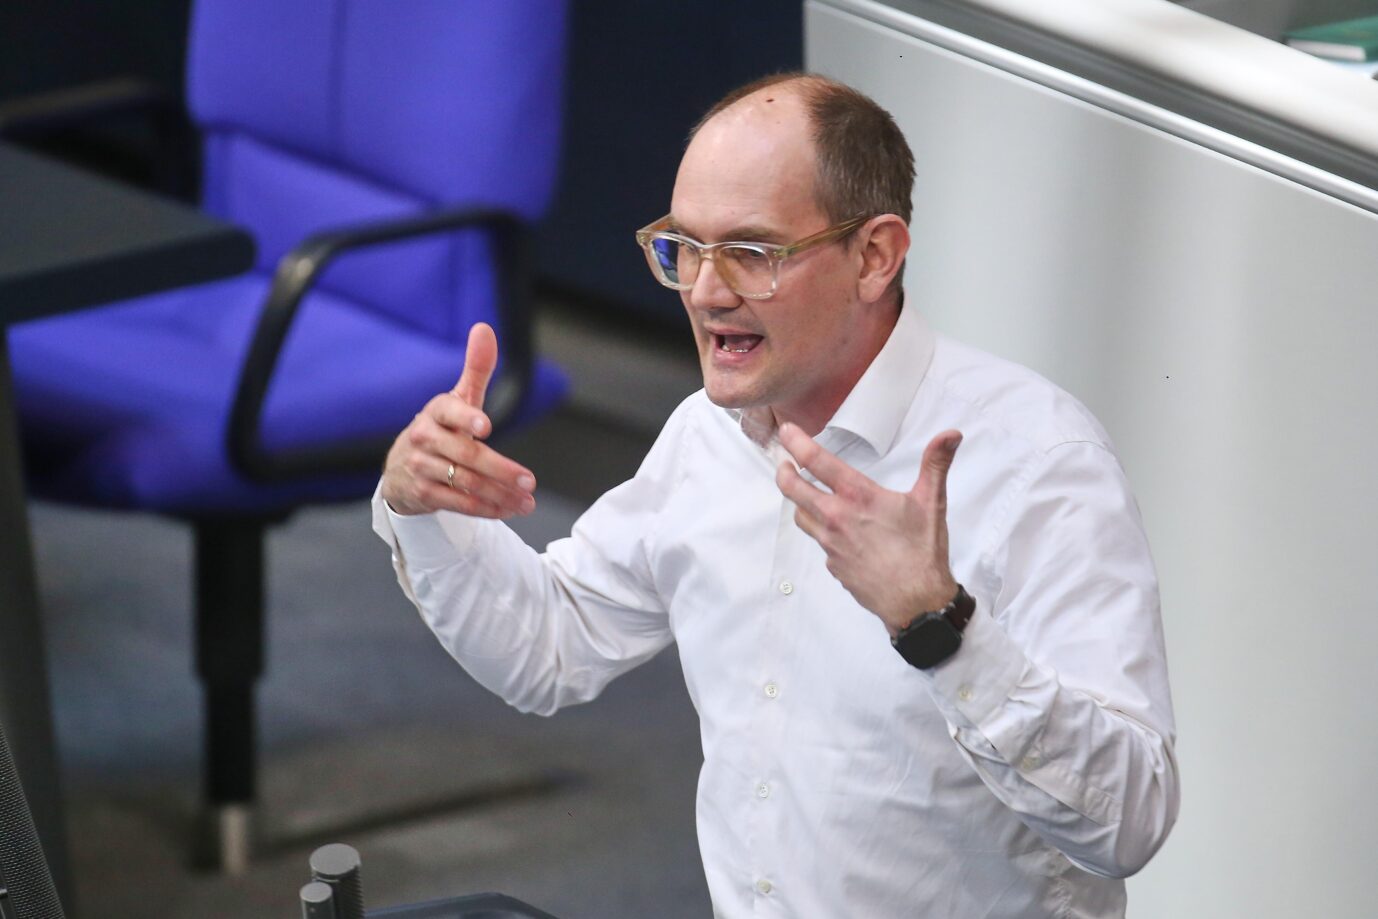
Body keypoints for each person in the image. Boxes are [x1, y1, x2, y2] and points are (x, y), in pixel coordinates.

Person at [374, 72, 1178, 918]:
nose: (706, 291)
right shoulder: (707, 438)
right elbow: (547, 644)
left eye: (753, 253)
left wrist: (941, 628)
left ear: (874, 256)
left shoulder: (1037, 463)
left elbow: (1128, 821)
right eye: (683, 247)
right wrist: (421, 505)